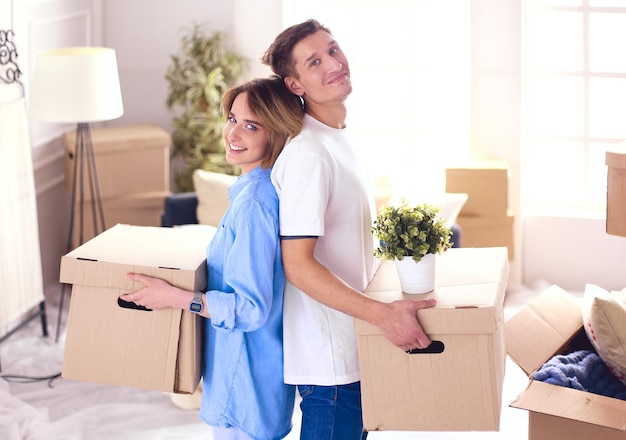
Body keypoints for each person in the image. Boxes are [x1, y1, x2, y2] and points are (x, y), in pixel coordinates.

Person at [262, 19, 437, 439]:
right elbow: (297, 266)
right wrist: (384, 317)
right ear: (295, 85)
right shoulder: (309, 154)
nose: (334, 64)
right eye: (315, 61)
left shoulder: (335, 137)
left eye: (334, 50)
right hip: (332, 365)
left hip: (353, 348)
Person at [119, 76, 304, 440]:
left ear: (277, 133)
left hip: (244, 386)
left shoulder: (254, 205)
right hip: (249, 380)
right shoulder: (257, 194)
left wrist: (172, 297)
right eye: (232, 119)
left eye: (251, 126)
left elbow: (251, 309)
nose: (233, 134)